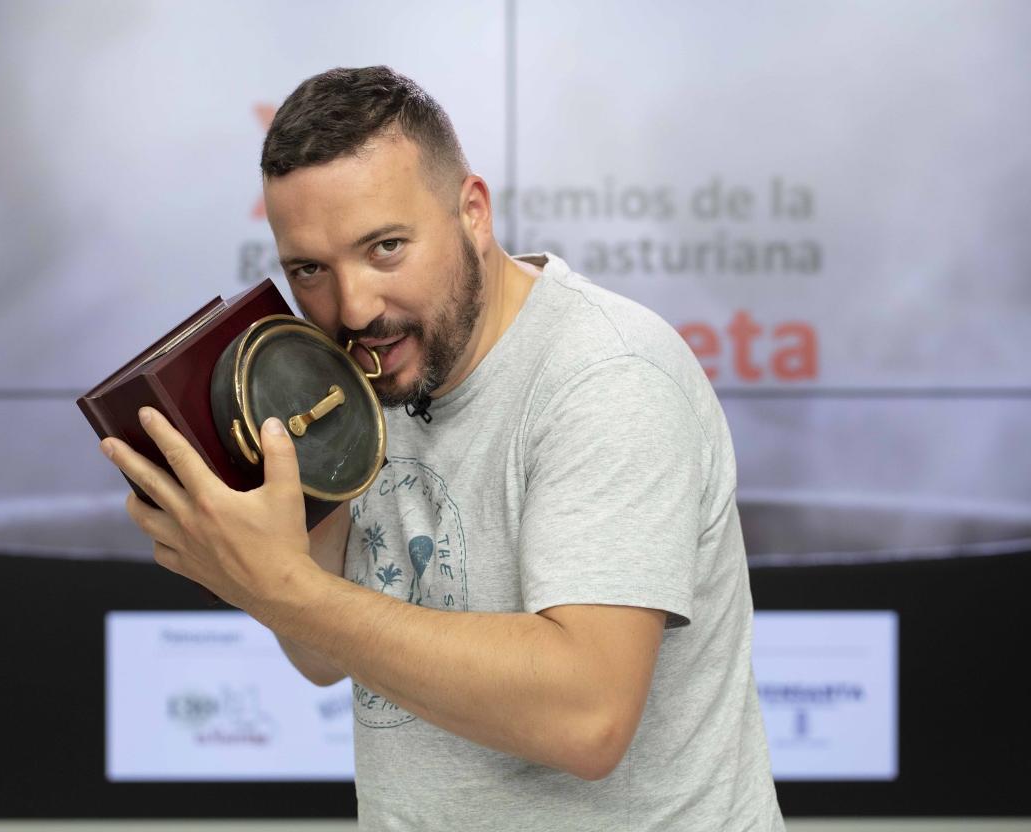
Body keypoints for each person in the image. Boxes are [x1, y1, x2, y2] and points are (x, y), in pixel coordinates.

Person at [100, 66, 785, 831]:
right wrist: (268, 549)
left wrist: (285, 588)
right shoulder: (360, 380)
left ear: (473, 213)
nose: (354, 307)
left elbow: (587, 718)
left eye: (386, 247)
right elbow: (323, 653)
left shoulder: (608, 375)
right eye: (310, 270)